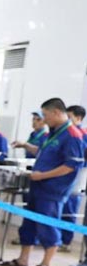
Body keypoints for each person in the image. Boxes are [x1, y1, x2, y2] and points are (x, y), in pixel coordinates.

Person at [0, 98, 84, 266]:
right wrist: (26, 147)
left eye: (45, 115)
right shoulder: (54, 132)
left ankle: (46, 263)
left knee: (47, 225)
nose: (44, 119)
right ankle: (23, 259)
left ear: (56, 112)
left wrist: (42, 175)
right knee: (29, 223)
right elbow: (44, 153)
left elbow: (71, 166)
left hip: (53, 189)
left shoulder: (72, 135)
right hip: (38, 186)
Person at [59, 105, 86, 252]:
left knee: (70, 207)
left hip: (79, 173)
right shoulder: (67, 133)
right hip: (66, 172)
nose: (67, 121)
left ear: (78, 118)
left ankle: (66, 241)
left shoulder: (82, 134)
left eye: (69, 117)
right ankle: (59, 238)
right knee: (63, 206)